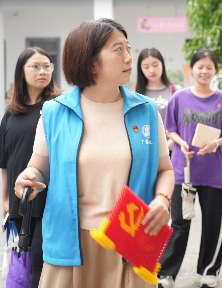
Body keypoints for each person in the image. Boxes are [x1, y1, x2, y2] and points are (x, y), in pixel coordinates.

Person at [14, 18, 174, 288]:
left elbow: (165, 170)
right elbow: (38, 168)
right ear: (91, 63)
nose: (129, 57)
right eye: (118, 49)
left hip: (131, 241)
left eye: (128, 48)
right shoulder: (55, 112)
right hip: (71, 242)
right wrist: (27, 179)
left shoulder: (146, 110)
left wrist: (162, 200)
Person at [158, 49, 222, 288]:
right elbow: (170, 129)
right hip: (182, 171)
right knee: (179, 223)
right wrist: (180, 142)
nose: (204, 71)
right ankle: (167, 273)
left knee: (212, 224)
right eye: (200, 67)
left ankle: (209, 270)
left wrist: (216, 142)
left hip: (214, 173)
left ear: (215, 70)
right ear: (192, 69)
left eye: (209, 67)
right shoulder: (179, 98)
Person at [0, 47, 60, 288]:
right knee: (22, 258)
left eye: (47, 66)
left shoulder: (57, 107)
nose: (42, 71)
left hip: (48, 197)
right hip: (19, 200)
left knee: (38, 256)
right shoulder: (10, 114)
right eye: (35, 66)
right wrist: (4, 199)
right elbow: (4, 161)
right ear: (21, 72)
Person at [135, 47, 181, 151]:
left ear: (162, 65)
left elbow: (183, 122)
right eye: (146, 67)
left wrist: (172, 142)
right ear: (140, 69)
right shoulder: (135, 95)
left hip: (172, 150)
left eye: (155, 65)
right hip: (146, 151)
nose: (152, 70)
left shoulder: (176, 91)